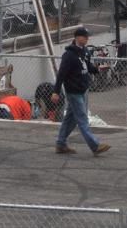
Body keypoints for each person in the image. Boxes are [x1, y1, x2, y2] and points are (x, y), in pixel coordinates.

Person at [52, 26, 110, 156]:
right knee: (82, 119)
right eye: (85, 36)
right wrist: (55, 91)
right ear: (77, 37)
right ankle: (95, 146)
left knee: (70, 119)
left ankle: (60, 144)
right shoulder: (69, 55)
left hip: (83, 90)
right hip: (74, 92)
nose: (87, 39)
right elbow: (61, 74)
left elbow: (88, 66)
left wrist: (98, 69)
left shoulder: (85, 51)